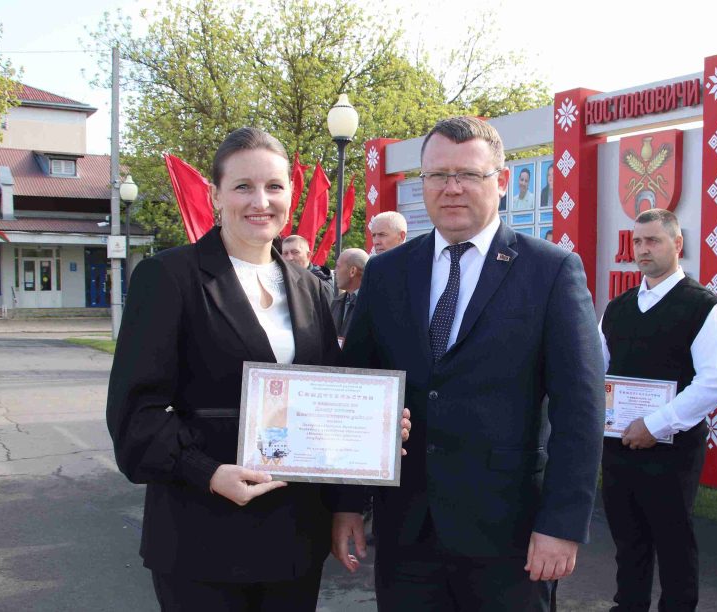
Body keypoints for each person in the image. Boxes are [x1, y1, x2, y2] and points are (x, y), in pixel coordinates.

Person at [332, 116, 604, 611]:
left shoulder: (551, 271)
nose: (451, 188)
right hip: (407, 533)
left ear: (500, 182)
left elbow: (580, 410)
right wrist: (349, 504)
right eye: (437, 175)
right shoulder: (388, 273)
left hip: (512, 538)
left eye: (469, 175)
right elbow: (359, 388)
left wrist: (562, 525)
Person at [106, 127, 343, 611]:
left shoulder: (311, 287)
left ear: (291, 195)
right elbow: (135, 412)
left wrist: (377, 427)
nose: (261, 201)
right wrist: (207, 472)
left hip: (294, 539)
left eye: (274, 187)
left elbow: (330, 397)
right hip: (202, 534)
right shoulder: (169, 277)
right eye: (243, 187)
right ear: (215, 195)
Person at [599, 209, 717, 612]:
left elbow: (714, 382)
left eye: (653, 241)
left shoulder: (703, 307)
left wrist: (654, 425)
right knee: (628, 544)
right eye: (637, 241)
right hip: (619, 448)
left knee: (674, 545)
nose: (643, 249)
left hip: (672, 453)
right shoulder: (617, 308)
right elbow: (597, 370)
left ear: (677, 245)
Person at [330, 247, 368, 343]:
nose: (334, 271)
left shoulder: (372, 305)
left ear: (352, 271)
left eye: (338, 266)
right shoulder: (336, 302)